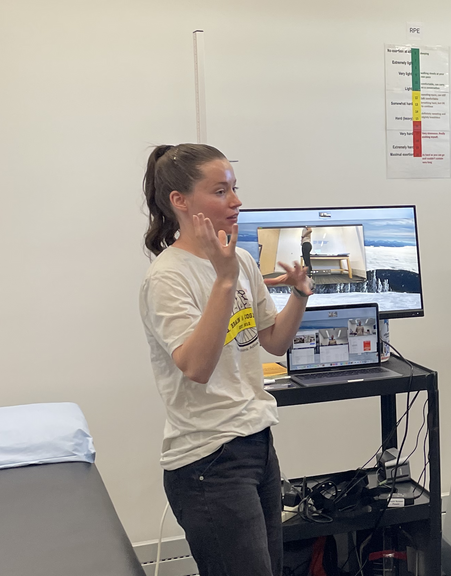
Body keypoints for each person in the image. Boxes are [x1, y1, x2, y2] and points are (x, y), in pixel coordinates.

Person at [139, 143, 313, 576]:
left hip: (256, 443)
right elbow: (196, 368)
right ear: (180, 201)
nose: (235, 202)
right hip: (207, 461)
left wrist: (299, 295)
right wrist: (224, 280)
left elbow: (273, 341)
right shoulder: (167, 277)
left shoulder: (240, 260)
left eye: (234, 189)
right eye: (220, 192)